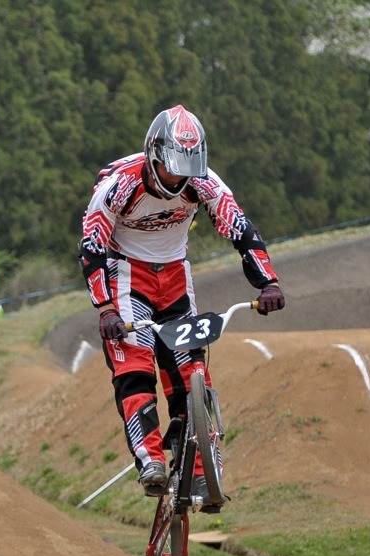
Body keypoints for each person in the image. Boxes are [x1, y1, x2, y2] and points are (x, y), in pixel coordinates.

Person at [78, 105, 285, 510]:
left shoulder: (203, 182)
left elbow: (241, 229)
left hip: (175, 275)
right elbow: (92, 247)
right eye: (172, 168)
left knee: (191, 369)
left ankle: (204, 469)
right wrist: (106, 309)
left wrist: (269, 282)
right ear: (153, 157)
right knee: (135, 367)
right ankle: (150, 459)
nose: (179, 177)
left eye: (188, 167)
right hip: (125, 275)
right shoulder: (119, 186)